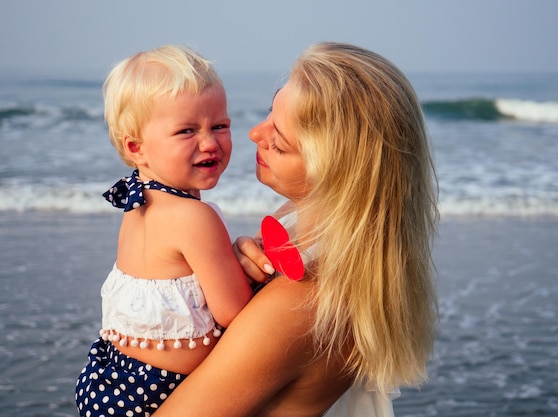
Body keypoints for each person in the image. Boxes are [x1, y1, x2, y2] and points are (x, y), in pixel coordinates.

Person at [154, 41, 439, 417]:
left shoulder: (299, 305)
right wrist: (233, 264)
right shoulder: (309, 229)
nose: (255, 133)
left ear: (334, 171)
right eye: (270, 111)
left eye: (280, 143)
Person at [75, 45, 252, 417]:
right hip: (158, 392)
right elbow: (236, 313)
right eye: (187, 130)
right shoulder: (194, 217)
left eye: (219, 125)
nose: (210, 142)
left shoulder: (138, 205)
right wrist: (245, 258)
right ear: (137, 148)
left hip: (111, 379)